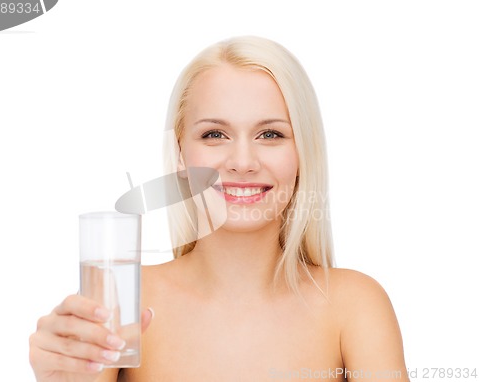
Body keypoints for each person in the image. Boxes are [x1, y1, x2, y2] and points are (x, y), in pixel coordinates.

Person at [29, 36, 409, 381]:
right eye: (215, 135)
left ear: (302, 153)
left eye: (270, 134)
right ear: (180, 156)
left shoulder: (354, 305)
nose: (242, 162)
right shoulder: (123, 299)